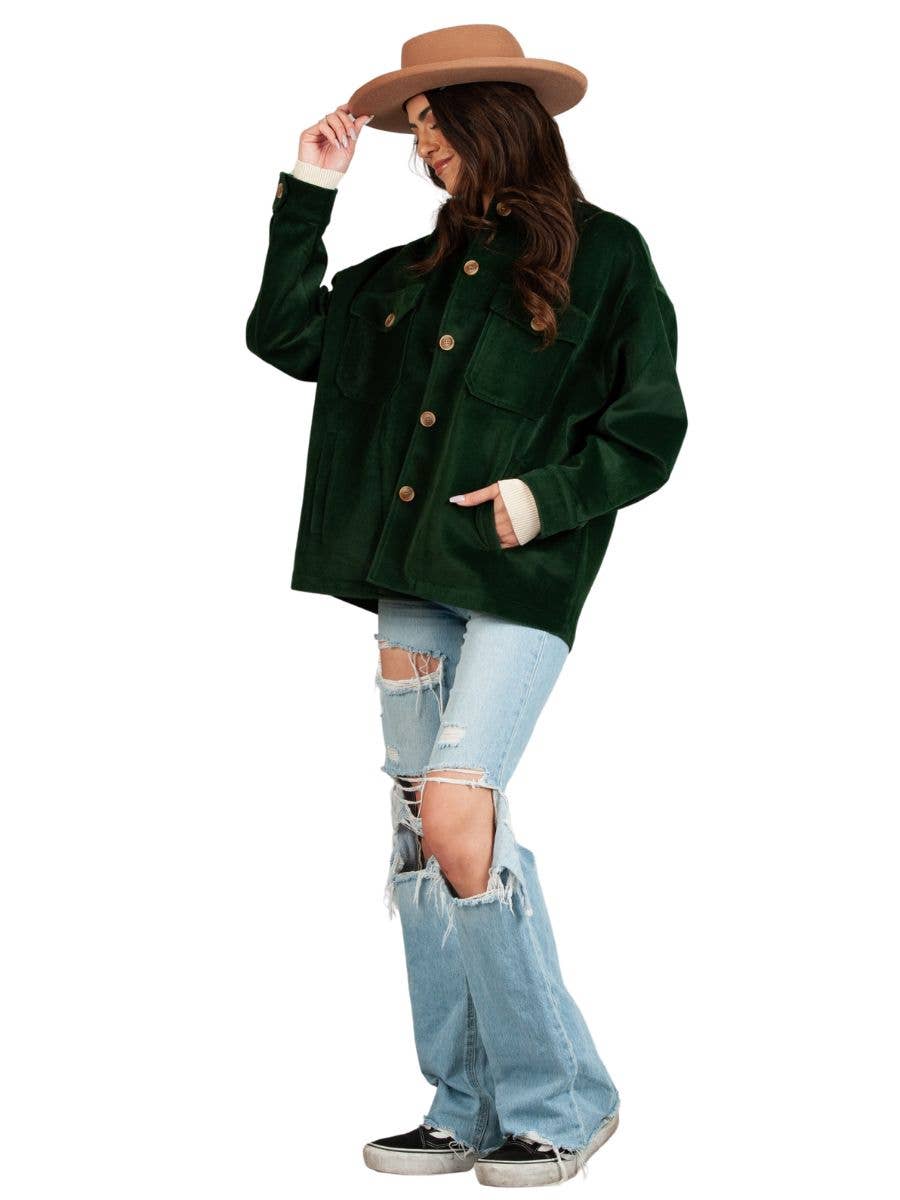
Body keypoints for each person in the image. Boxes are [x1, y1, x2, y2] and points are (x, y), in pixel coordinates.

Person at [246, 23, 687, 1188]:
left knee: (455, 814)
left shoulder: (607, 255)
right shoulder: (408, 274)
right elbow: (283, 336)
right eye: (419, 132)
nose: (425, 148)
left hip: (519, 584)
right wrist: (309, 191)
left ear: (499, 119)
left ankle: (567, 1099)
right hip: (413, 589)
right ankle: (465, 1105)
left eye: (438, 126)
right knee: (425, 842)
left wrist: (544, 499)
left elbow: (650, 426)